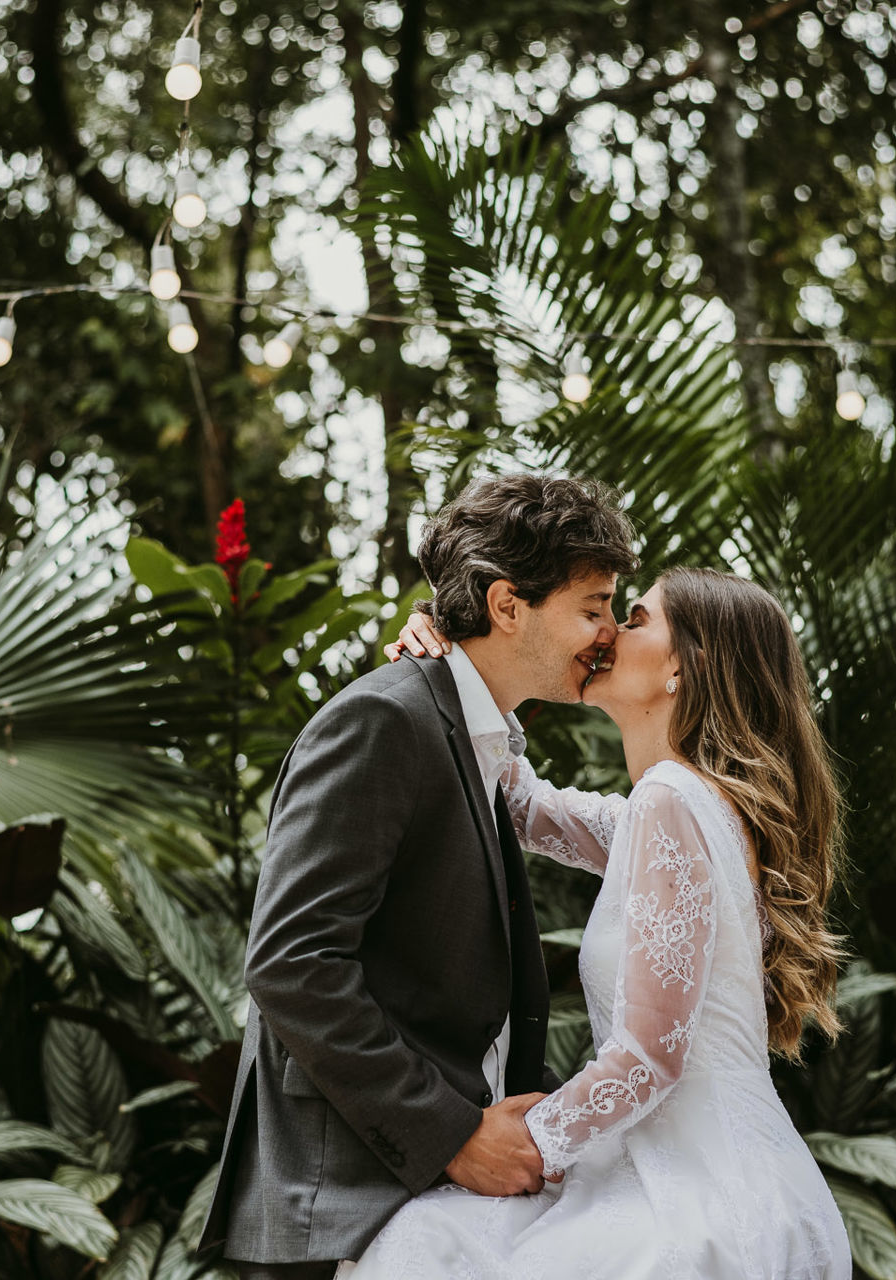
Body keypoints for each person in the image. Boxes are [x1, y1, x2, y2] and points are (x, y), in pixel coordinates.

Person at [347, 567, 852, 1280]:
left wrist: (517, 1142)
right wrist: (459, 670)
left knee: (424, 1246)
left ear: (683, 667)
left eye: (636, 618)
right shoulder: (702, 807)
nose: (609, 632)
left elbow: (648, 1057)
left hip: (693, 1198)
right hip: (751, 1178)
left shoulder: (671, 801)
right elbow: (526, 807)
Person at [199, 473, 640, 1279]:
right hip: (349, 1203)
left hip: (450, 1206)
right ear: (507, 606)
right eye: (594, 607)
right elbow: (292, 964)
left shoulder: (477, 737)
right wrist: (453, 1135)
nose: (611, 632)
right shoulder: (385, 719)